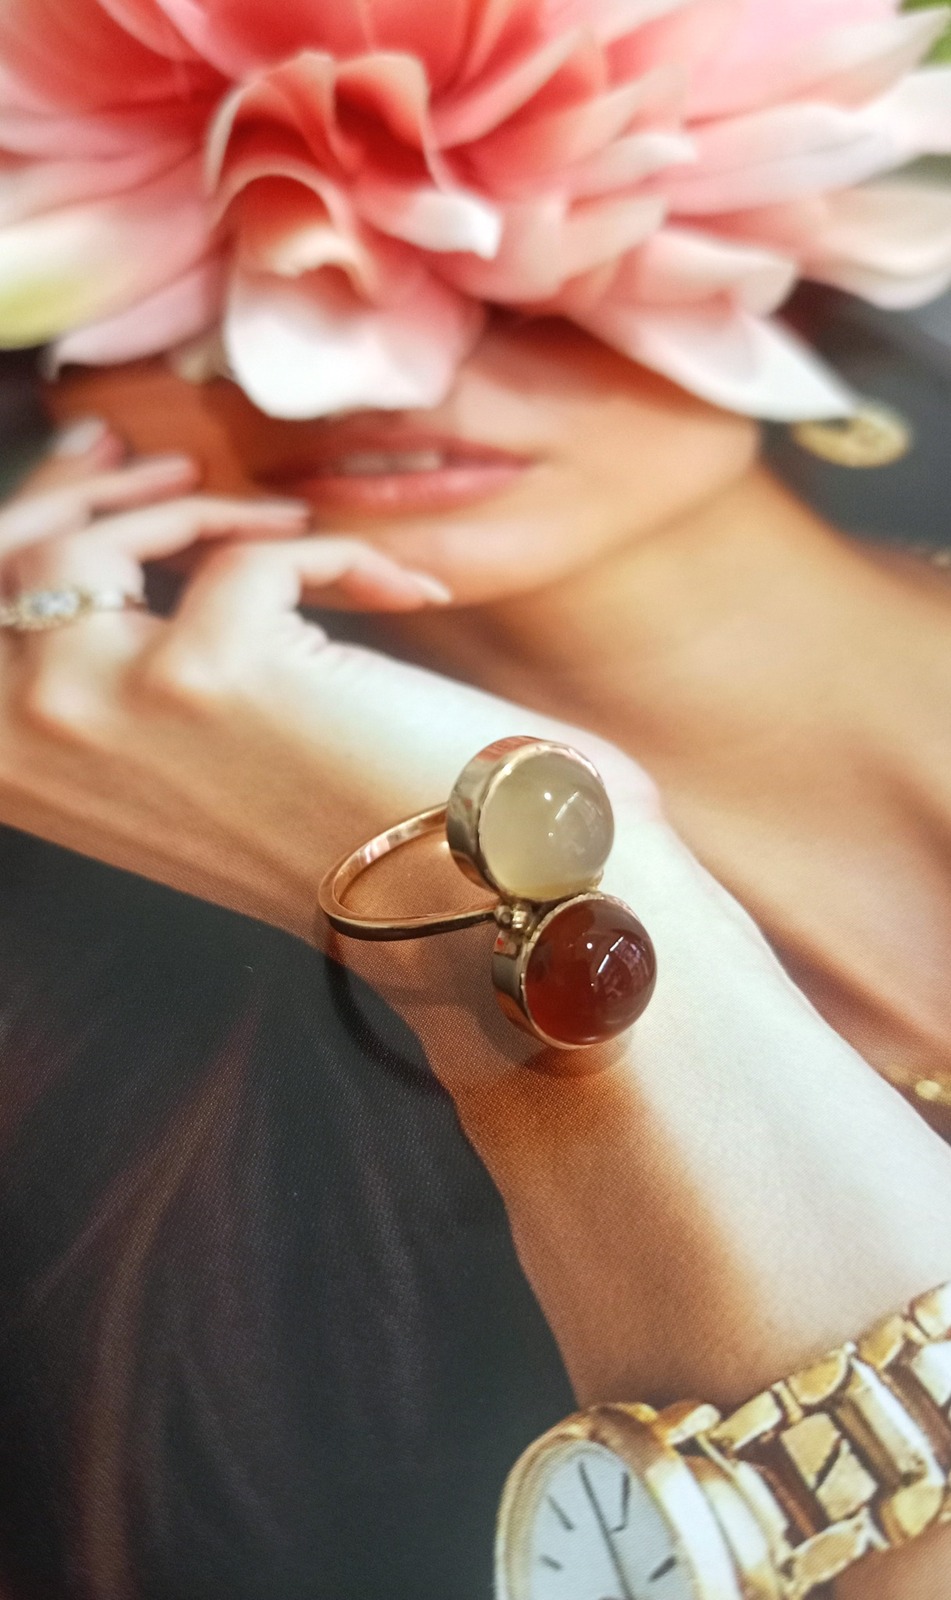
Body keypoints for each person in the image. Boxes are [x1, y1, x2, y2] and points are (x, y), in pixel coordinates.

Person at [2, 2, 951, 1598]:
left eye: (494, 219)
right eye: (207, 251)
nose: (360, 336)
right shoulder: (132, 1205)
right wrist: (519, 940)